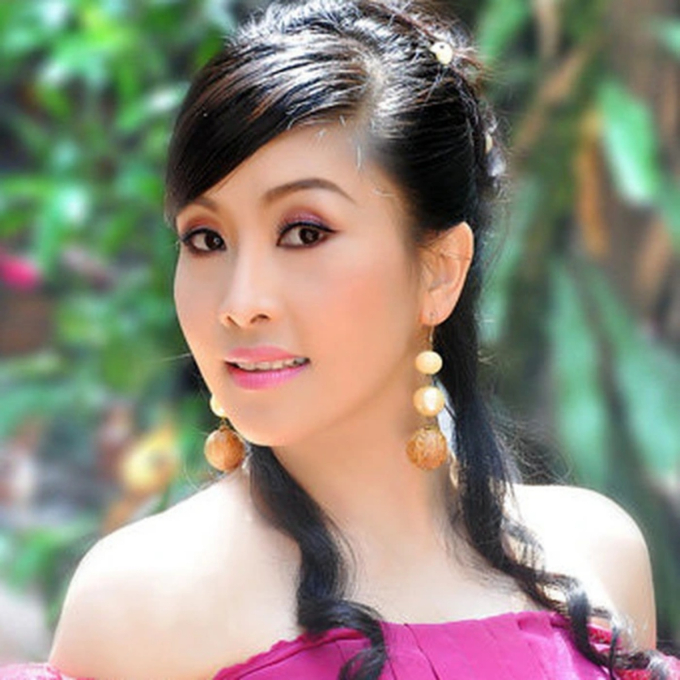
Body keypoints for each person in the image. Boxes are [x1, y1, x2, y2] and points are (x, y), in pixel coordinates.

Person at [2, 0, 678, 678]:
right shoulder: (141, 605)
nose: (240, 304)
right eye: (206, 239)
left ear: (440, 270)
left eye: (304, 233)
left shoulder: (596, 555)